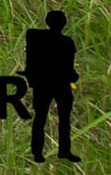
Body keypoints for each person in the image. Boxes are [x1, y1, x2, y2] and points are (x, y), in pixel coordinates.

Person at [24, 9, 81, 164]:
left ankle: (56, 151)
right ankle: (44, 152)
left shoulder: (64, 41)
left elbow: (69, 66)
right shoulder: (63, 41)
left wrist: (72, 76)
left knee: (51, 119)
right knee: (51, 119)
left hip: (57, 84)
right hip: (50, 84)